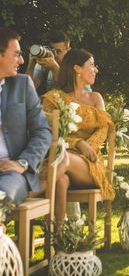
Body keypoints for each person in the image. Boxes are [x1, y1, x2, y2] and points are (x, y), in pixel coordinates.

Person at [41, 49, 114, 227]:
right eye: (91, 65)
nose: (95, 69)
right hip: (59, 160)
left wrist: (87, 148)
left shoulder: (95, 98)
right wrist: (77, 143)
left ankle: (33, 191)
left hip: (89, 162)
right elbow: (48, 133)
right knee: (61, 180)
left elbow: (104, 130)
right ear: (77, 69)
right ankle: (58, 239)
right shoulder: (53, 98)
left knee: (62, 158)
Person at [0, 27, 51, 207]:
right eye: (16, 54)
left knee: (1, 196)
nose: (21, 60)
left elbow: (43, 132)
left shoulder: (23, 85)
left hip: (12, 175)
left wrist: (23, 163)